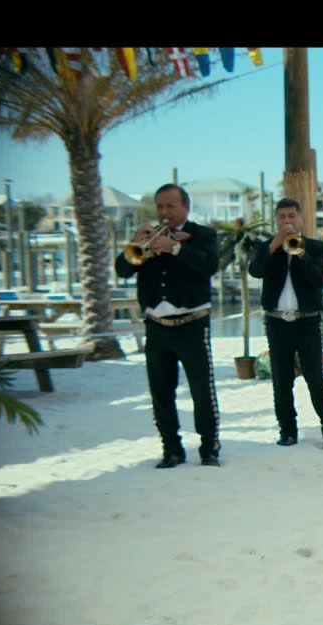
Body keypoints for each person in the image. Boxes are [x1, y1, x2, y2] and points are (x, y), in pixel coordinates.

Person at [114, 183, 222, 468]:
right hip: (157, 326)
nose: (164, 212)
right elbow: (122, 270)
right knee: (161, 392)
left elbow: (209, 265)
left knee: (202, 390)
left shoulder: (204, 235)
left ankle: (209, 449)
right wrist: (135, 244)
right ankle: (171, 450)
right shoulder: (148, 236)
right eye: (160, 206)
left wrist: (174, 248)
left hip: (192, 325)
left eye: (171, 206)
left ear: (186, 207)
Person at [246, 198, 323, 449]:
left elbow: (318, 279)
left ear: (301, 219)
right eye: (282, 217)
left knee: (315, 378)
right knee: (281, 379)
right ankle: (287, 430)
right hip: (277, 322)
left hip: (307, 322)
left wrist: (299, 252)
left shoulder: (317, 247)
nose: (286, 221)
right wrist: (274, 246)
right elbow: (255, 271)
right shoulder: (267, 247)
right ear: (276, 221)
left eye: (291, 216)